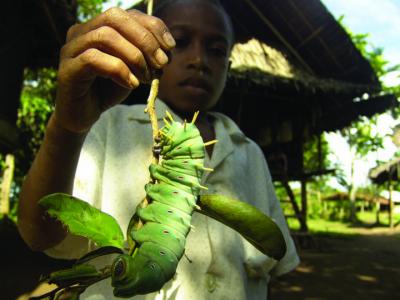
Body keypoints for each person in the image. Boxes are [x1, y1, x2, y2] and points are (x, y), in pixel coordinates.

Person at [17, 0, 299, 299]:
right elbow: (40, 233)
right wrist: (66, 127)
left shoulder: (250, 153)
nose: (199, 60)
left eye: (216, 50)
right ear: (155, 51)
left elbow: (275, 266)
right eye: (180, 42)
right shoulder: (108, 125)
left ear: (228, 67)